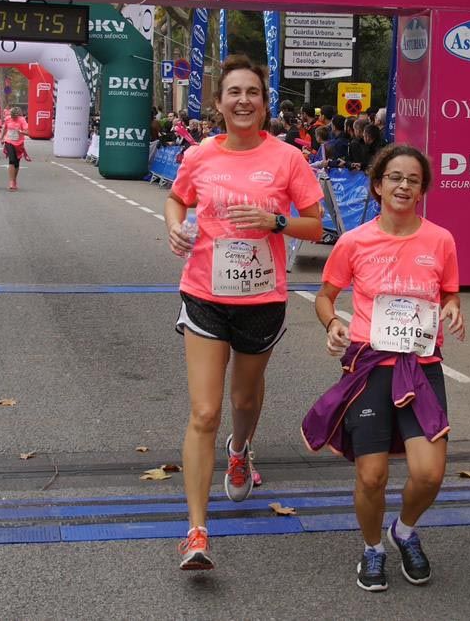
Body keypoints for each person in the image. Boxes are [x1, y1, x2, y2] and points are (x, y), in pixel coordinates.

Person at [164, 54, 324, 571]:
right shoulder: (200, 156)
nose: (243, 100)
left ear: (263, 101)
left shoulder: (287, 159)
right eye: (233, 92)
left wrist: (274, 219)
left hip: (261, 299)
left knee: (244, 398)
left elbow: (316, 227)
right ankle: (195, 531)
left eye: (252, 92)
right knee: (204, 411)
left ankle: (241, 449)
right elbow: (176, 199)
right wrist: (175, 226)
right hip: (205, 294)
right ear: (219, 103)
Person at [304, 143, 464, 593]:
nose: (403, 186)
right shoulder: (355, 242)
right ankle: (373, 548)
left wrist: (453, 309)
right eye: (395, 177)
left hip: (421, 365)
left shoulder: (441, 240)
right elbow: (324, 296)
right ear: (377, 185)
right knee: (371, 475)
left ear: (422, 190)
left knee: (430, 472)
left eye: (413, 180)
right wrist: (332, 323)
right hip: (369, 365)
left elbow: (449, 293)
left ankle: (405, 531)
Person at [1, 107, 28, 192]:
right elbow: (5, 128)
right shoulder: (8, 119)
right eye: (12, 116)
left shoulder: (22, 120)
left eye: (15, 117)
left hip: (19, 143)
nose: (13, 118)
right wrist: (1, 138)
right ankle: (11, 182)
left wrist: (21, 132)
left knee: (16, 162)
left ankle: (14, 179)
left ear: (18, 115)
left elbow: (27, 131)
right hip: (9, 141)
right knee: (12, 160)